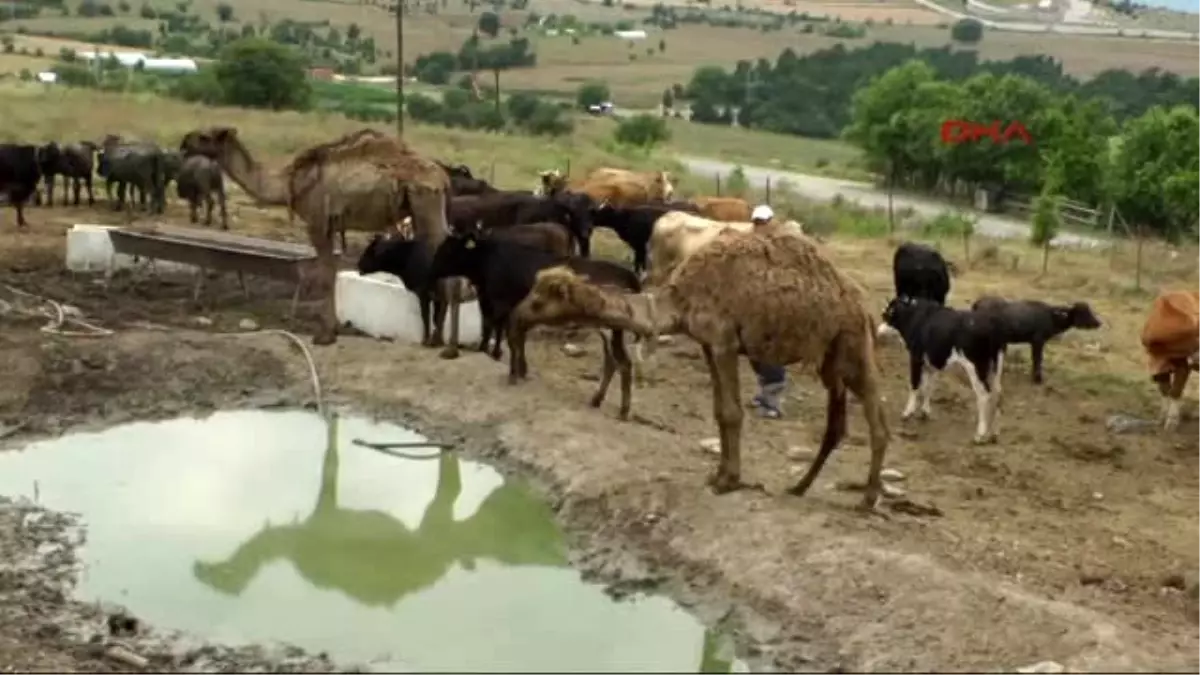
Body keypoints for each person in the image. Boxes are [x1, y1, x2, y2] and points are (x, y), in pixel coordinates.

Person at [746, 204, 789, 419]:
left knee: (771, 351)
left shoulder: (783, 246)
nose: (759, 226)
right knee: (753, 350)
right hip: (754, 305)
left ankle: (773, 404)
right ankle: (763, 394)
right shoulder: (749, 245)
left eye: (763, 222)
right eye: (756, 222)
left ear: (772, 222)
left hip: (774, 305)